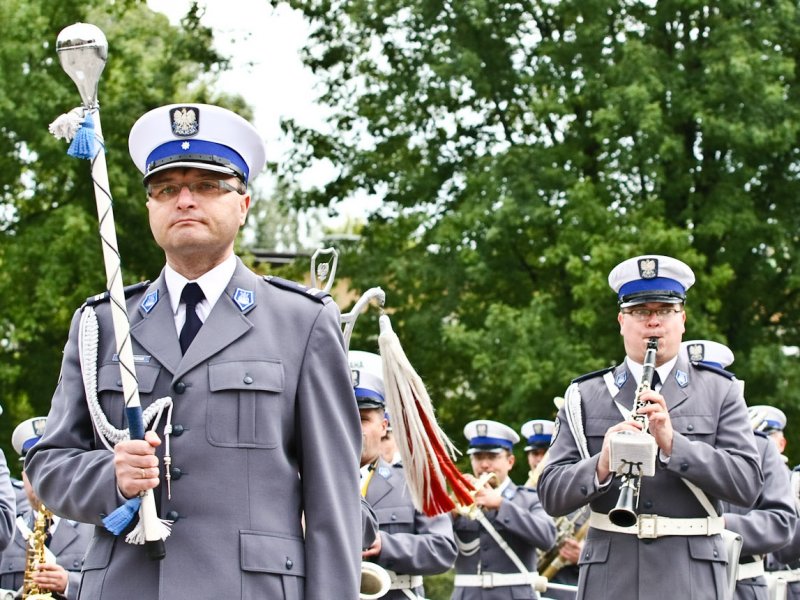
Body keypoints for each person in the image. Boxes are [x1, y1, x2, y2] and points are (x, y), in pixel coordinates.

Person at [25, 103, 362, 599]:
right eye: (165, 189)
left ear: (243, 204)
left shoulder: (302, 321)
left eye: (206, 185)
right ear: (149, 209)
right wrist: (110, 475)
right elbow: (48, 465)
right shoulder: (103, 322)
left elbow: (334, 502)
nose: (184, 200)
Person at [538, 254, 763, 600]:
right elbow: (551, 493)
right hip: (610, 582)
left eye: (666, 310)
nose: (654, 322)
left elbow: (747, 485)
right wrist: (601, 463)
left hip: (691, 580)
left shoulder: (721, 390)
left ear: (682, 319)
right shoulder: (584, 395)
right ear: (621, 320)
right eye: (641, 311)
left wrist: (674, 444)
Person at [682, 342, 796, 600]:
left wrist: (724, 526)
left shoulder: (760, 447)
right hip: (679, 584)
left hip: (742, 587)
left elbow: (782, 521)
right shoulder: (664, 440)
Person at [353, 350, 457, 600]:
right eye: (347, 417)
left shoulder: (417, 481)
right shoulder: (311, 482)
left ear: (384, 426)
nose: (354, 427)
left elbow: (443, 549)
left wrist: (386, 545)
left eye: (364, 419)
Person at [451, 419, 556, 599]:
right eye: (478, 457)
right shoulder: (460, 501)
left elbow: (547, 538)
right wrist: (449, 512)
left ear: (510, 461)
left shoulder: (529, 498)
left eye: (492, 457)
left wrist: (501, 504)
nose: (484, 464)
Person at [0, 417, 93, 599]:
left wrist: (69, 584)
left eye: (49, 468)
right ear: (23, 474)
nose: (40, 476)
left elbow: (114, 587)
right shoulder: (11, 529)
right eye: (31, 467)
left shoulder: (94, 530)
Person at [521, 419, 554, 488]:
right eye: (535, 453)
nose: (540, 459)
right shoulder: (521, 491)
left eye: (545, 454)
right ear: (528, 457)